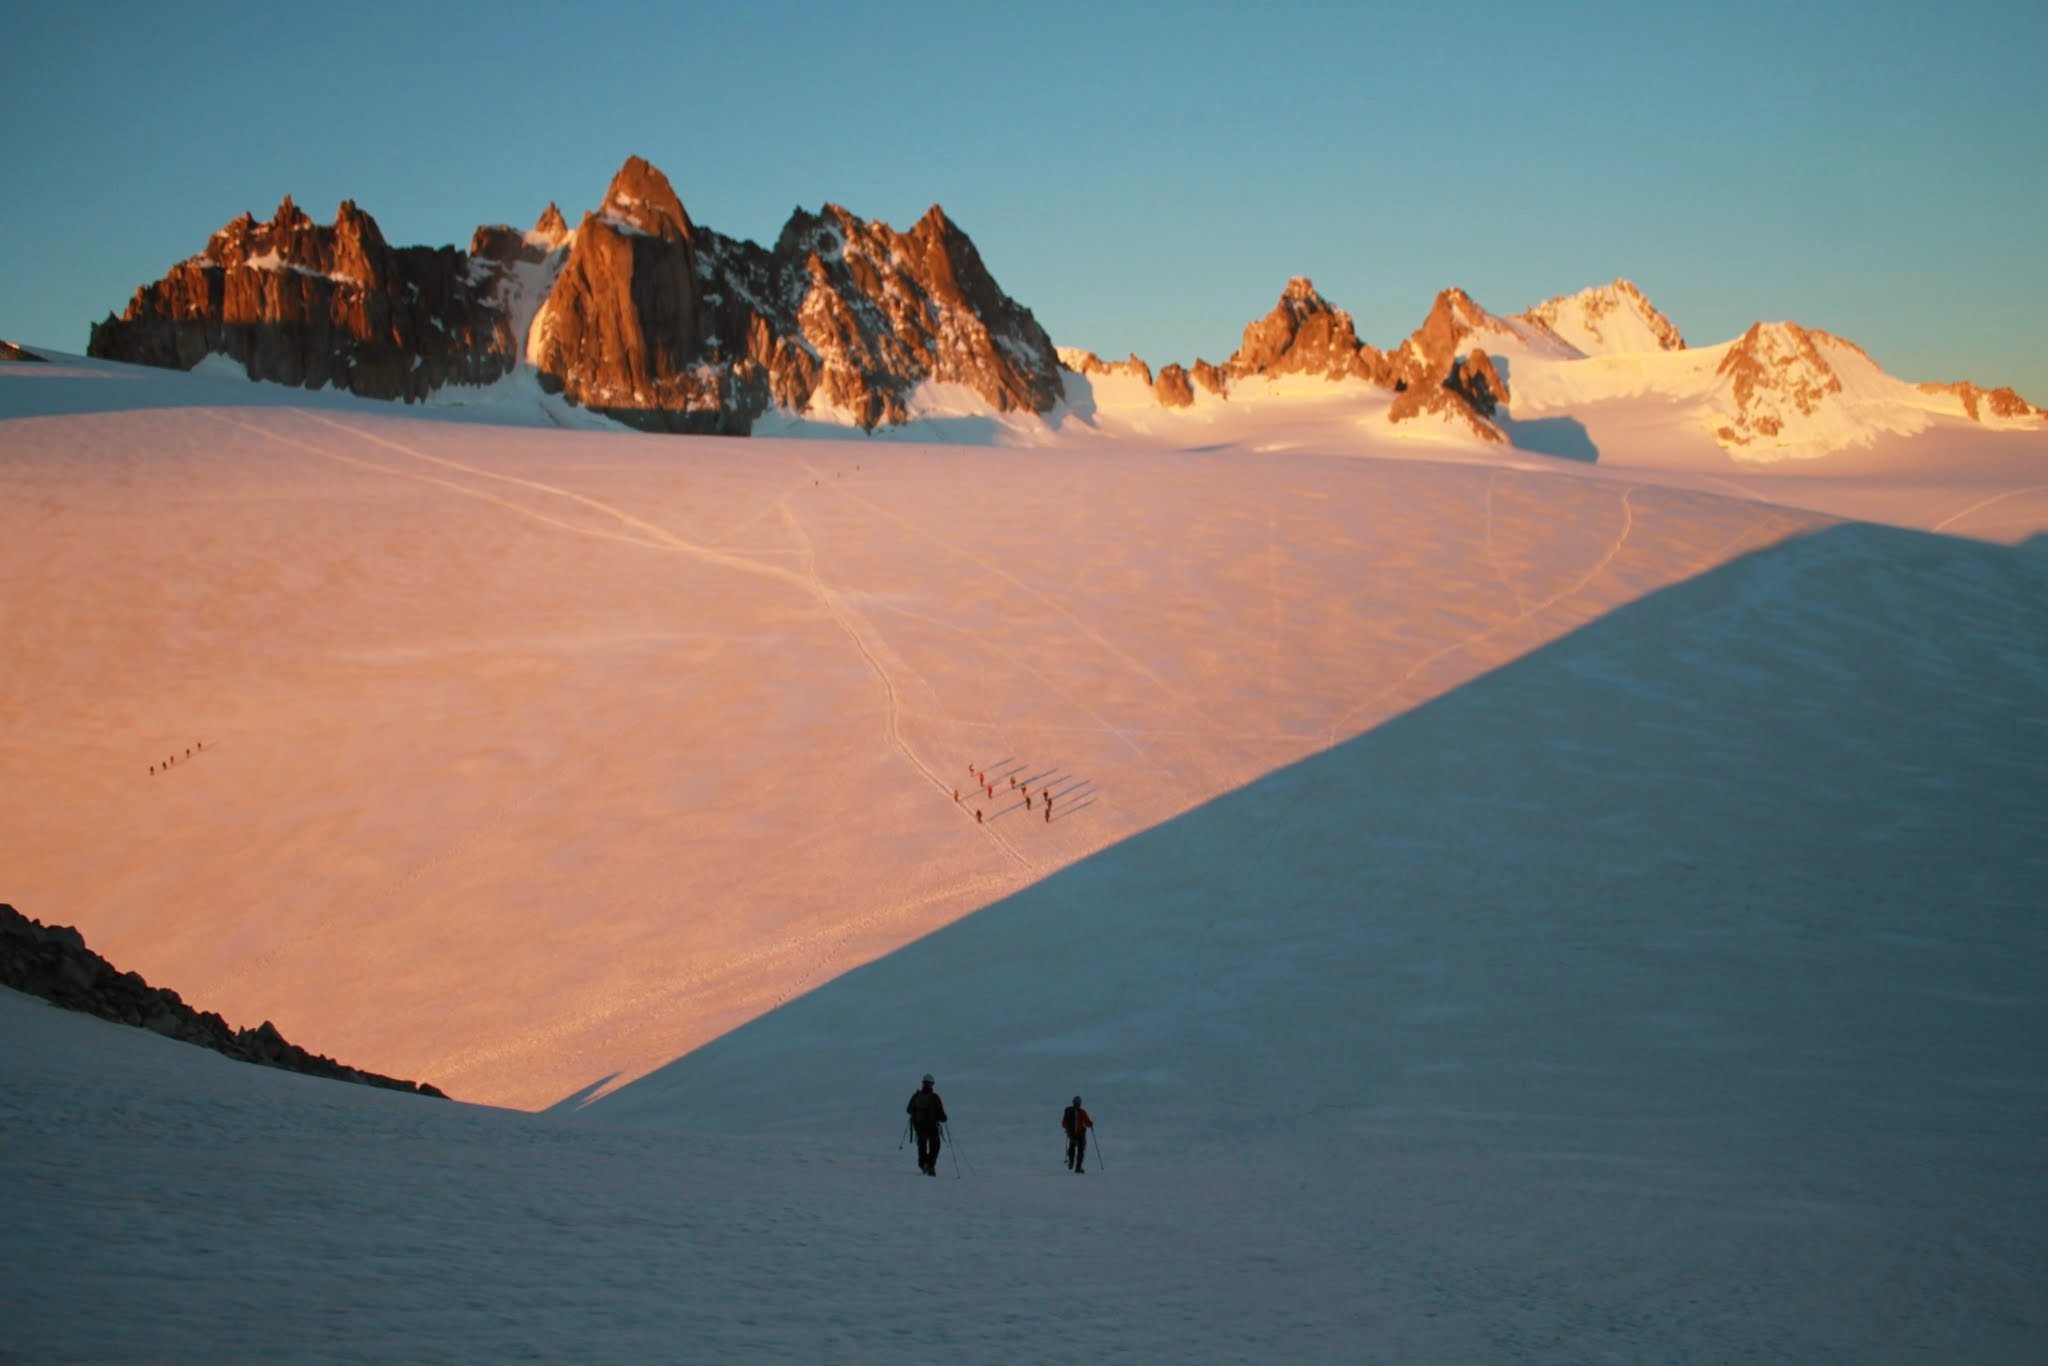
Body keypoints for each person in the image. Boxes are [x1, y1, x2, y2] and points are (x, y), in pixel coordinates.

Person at [907, 1073, 948, 1176]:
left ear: (923, 1083)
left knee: (922, 1146)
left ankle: (923, 1165)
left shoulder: (916, 1096)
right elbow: (941, 1115)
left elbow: (908, 1110)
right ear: (932, 1084)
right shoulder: (934, 1098)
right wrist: (943, 1118)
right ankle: (930, 1165)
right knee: (935, 1146)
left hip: (919, 1127)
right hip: (932, 1127)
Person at [1061, 1095, 1093, 1172]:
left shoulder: (1068, 1111)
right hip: (1080, 1134)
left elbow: (1063, 1124)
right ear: (1079, 1103)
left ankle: (1071, 1161)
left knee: (1072, 1147)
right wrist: (1091, 1124)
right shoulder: (1082, 1112)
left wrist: (1067, 1128)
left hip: (1071, 1134)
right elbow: (1088, 1123)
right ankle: (1078, 1167)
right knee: (1080, 1150)